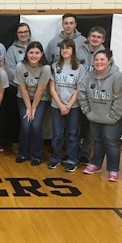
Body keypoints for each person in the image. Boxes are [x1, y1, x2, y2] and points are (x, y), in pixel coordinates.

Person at [79, 50, 122, 182]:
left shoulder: (117, 77)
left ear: (109, 61)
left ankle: (113, 170)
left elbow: (120, 99)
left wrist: (113, 116)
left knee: (111, 141)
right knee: (98, 140)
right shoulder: (88, 76)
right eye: (96, 60)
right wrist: (88, 112)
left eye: (102, 59)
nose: (99, 62)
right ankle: (96, 164)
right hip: (95, 115)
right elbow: (82, 94)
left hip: (115, 117)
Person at [47, 39, 85, 172]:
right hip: (57, 105)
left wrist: (68, 105)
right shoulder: (55, 66)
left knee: (73, 134)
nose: (65, 50)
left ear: (73, 50)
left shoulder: (79, 68)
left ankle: (72, 159)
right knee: (57, 134)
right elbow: (52, 88)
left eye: (68, 48)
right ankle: (55, 158)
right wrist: (60, 105)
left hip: (73, 107)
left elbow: (78, 89)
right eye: (62, 48)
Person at [15, 41, 51, 166]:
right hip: (24, 98)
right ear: (27, 53)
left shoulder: (46, 68)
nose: (33, 55)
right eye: (31, 52)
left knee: (35, 125)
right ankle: (22, 153)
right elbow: (23, 88)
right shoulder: (20, 66)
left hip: (41, 99)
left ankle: (36, 155)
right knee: (25, 125)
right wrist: (28, 107)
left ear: (41, 54)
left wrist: (33, 108)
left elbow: (40, 90)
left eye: (37, 53)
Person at [75, 26, 107, 165]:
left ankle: (84, 154)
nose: (95, 39)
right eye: (93, 36)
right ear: (88, 37)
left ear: (103, 40)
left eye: (98, 37)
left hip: (94, 95)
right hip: (77, 93)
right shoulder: (78, 50)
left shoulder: (105, 55)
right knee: (74, 125)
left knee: (90, 127)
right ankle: (72, 151)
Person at [2, 22, 32, 152]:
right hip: (16, 87)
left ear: (29, 33)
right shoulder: (12, 50)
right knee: (15, 116)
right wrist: (23, 82)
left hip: (33, 89)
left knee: (31, 116)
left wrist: (31, 83)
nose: (23, 34)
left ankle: (30, 142)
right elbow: (9, 69)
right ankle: (15, 141)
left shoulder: (34, 47)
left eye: (25, 32)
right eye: (20, 32)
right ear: (17, 35)